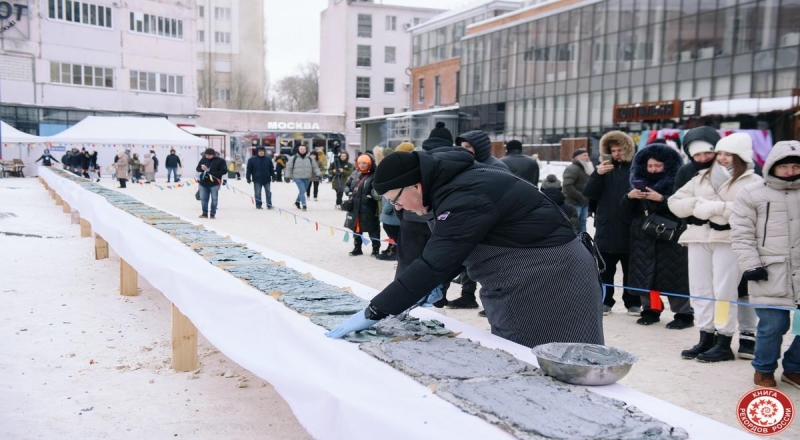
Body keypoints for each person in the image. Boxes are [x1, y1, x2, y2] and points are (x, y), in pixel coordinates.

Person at [325, 148, 604, 348]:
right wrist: (433, 283)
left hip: (549, 278)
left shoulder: (464, 195)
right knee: (517, 352)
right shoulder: (447, 187)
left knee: (547, 358)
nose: (398, 208)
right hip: (521, 275)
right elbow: (460, 246)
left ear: (416, 185)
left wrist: (374, 311)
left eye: (396, 200)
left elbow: (436, 260)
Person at [669, 133, 762, 362]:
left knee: (724, 291)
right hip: (699, 237)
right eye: (719, 153)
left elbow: (752, 210)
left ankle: (724, 339)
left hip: (729, 239)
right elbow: (674, 203)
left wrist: (716, 208)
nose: (721, 158)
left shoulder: (753, 182)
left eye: (727, 154)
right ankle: (705, 335)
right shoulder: (701, 177)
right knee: (700, 289)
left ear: (740, 156)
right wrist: (696, 205)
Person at [730, 140, 800, 388]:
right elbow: (741, 234)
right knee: (773, 325)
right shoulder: (752, 193)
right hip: (771, 271)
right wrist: (751, 265)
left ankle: (794, 368)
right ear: (772, 166)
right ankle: (764, 368)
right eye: (785, 167)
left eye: (795, 166)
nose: (790, 172)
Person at [622, 143, 694, 328]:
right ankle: (652, 309)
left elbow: (684, 209)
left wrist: (661, 199)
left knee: (675, 276)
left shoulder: (680, 184)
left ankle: (683, 313)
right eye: (650, 166)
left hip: (671, 236)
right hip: (643, 236)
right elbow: (624, 212)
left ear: (667, 166)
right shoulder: (637, 184)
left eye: (658, 166)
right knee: (647, 276)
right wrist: (629, 197)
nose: (653, 170)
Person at [583, 131, 641, 317]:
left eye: (620, 149)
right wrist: (598, 174)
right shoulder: (602, 169)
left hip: (629, 225)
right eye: (613, 150)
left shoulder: (635, 168)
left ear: (628, 149)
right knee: (605, 269)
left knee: (631, 269)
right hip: (606, 225)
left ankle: (633, 302)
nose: (616, 153)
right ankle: (606, 301)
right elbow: (589, 192)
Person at [344, 153, 381, 257]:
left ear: (369, 163)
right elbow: (347, 185)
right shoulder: (355, 173)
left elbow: (378, 190)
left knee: (373, 228)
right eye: (360, 163)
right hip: (355, 207)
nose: (362, 165)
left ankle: (375, 249)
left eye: (364, 163)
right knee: (356, 228)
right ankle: (357, 248)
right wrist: (348, 192)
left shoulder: (375, 175)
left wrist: (371, 195)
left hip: (369, 207)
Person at [562, 149, 592, 232]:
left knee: (582, 222)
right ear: (577, 158)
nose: (587, 157)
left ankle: (583, 242)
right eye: (584, 155)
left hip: (584, 202)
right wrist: (581, 198)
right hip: (574, 203)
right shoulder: (572, 168)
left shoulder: (586, 168)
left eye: (587, 155)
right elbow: (567, 186)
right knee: (573, 224)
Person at [195, 148, 227, 219]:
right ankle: (204, 213)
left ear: (213, 155)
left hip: (214, 183)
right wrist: (201, 169)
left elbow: (224, 171)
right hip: (203, 182)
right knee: (203, 198)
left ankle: (212, 214)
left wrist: (211, 173)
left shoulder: (220, 161)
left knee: (214, 198)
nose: (208, 156)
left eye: (210, 155)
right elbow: (197, 168)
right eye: (207, 155)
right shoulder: (203, 160)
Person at [285, 145, 316, 210]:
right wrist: (287, 176)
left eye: (303, 149)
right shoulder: (293, 158)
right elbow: (288, 168)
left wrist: (319, 174)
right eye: (301, 149)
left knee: (303, 191)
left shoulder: (310, 158)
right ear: (298, 150)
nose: (302, 150)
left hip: (307, 177)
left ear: (306, 150)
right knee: (302, 190)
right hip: (297, 177)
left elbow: (315, 167)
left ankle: (297, 201)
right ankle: (304, 205)